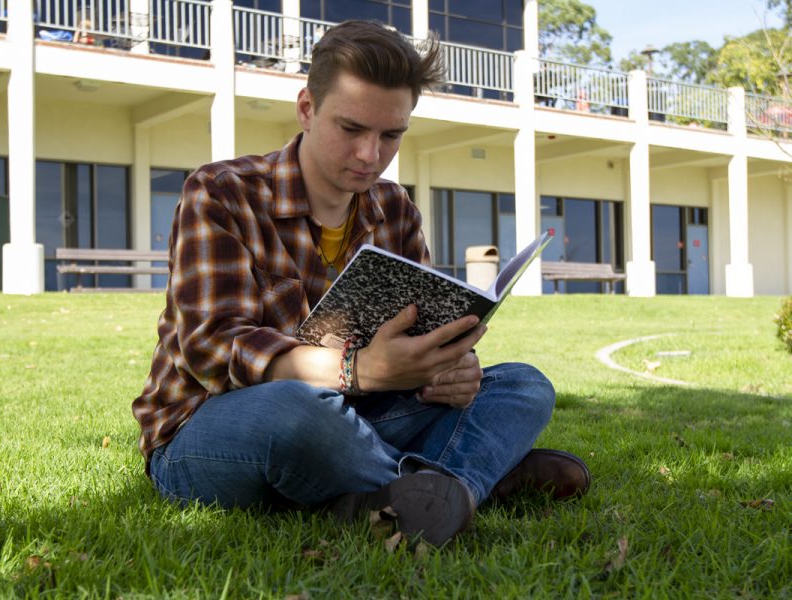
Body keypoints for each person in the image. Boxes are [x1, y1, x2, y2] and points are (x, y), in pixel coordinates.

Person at [133, 20, 590, 547]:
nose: (371, 155)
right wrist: (360, 369)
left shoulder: (394, 207)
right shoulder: (222, 192)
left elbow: (416, 333)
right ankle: (472, 477)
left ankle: (402, 496)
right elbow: (212, 348)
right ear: (306, 108)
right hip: (214, 428)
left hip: (357, 418)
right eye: (351, 129)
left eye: (391, 135)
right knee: (295, 409)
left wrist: (444, 370)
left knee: (522, 385)